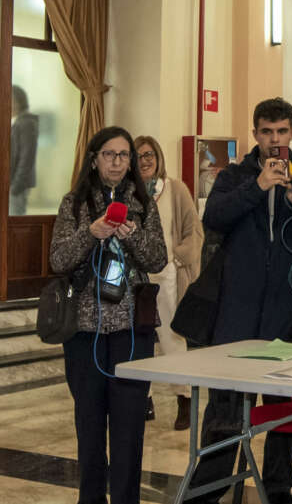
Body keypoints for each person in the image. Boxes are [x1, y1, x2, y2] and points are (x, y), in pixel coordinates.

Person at [187, 98, 292, 504]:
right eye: (266, 132)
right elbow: (215, 217)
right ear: (255, 133)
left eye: (281, 132)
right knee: (225, 415)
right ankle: (208, 489)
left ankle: (276, 489)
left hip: (286, 321)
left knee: (282, 417)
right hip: (236, 320)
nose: (274, 140)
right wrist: (258, 187)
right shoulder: (236, 175)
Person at [49, 126, 167, 504]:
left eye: (124, 155)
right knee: (89, 427)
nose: (117, 162)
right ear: (94, 159)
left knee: (130, 429)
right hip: (84, 333)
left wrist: (130, 234)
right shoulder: (74, 203)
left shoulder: (144, 203)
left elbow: (158, 258)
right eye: (109, 154)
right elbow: (59, 259)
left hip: (132, 332)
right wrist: (92, 232)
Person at [134, 135, 204, 430]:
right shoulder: (129, 193)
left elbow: (194, 232)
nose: (145, 161)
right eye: (138, 156)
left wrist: (175, 259)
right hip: (137, 279)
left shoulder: (176, 190)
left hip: (169, 277)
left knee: (173, 340)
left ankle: (184, 399)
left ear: (158, 157)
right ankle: (143, 399)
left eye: (149, 154)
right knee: (140, 341)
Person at [9, 85, 38, 215]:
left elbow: (27, 158)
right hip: (11, 183)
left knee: (14, 223)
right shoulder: (17, 121)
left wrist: (15, 186)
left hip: (17, 185)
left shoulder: (26, 123)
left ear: (18, 102)